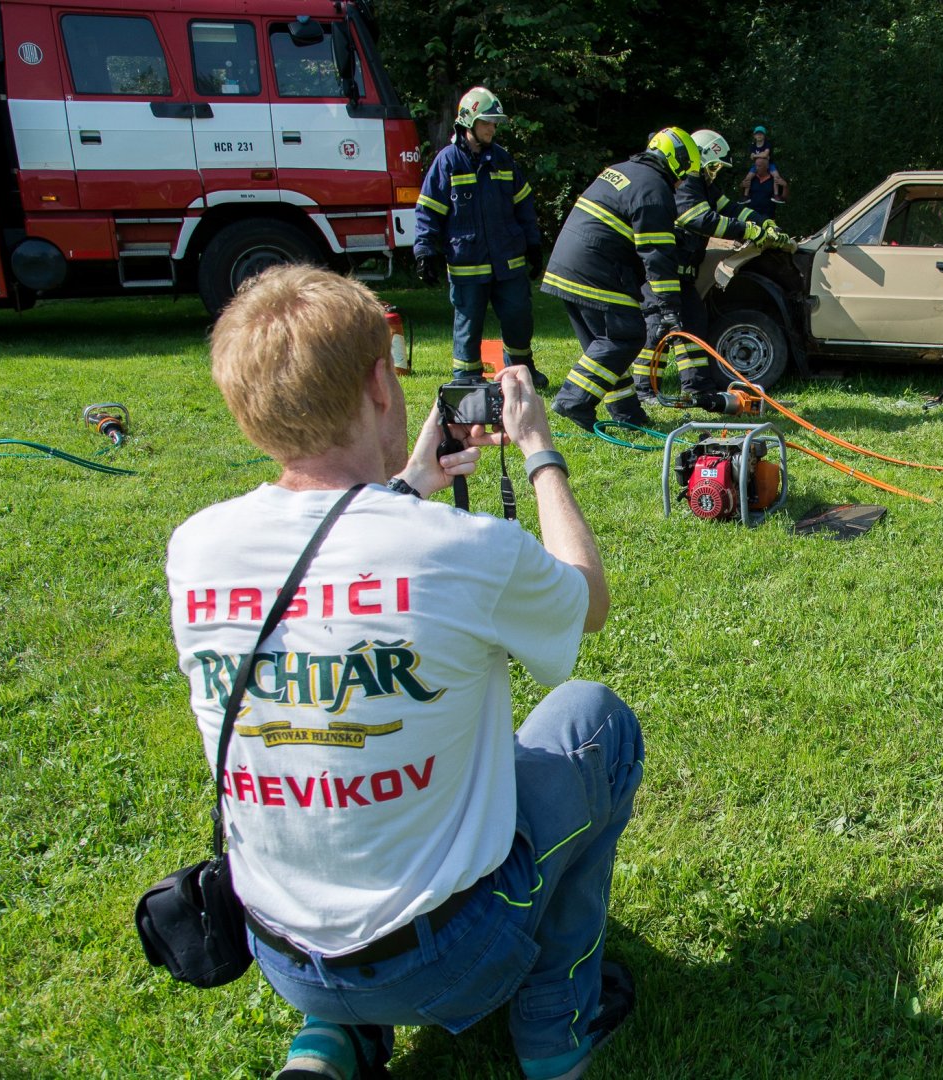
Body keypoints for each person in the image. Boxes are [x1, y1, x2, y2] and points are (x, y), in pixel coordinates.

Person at [166, 265, 642, 1080]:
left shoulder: (195, 548)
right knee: (595, 719)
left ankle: (329, 1040)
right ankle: (555, 1026)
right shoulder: (461, 551)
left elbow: (337, 556)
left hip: (277, 948)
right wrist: (541, 452)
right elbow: (587, 600)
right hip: (449, 957)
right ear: (380, 385)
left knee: (319, 762)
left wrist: (408, 484)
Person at [542, 126, 698, 431]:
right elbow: (656, 253)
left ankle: (627, 413)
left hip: (567, 265)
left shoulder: (623, 170)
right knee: (625, 335)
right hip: (595, 268)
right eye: (684, 174)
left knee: (603, 345)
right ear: (676, 162)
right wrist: (669, 306)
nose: (682, 183)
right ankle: (573, 399)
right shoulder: (654, 189)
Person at [634, 129, 791, 407]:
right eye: (714, 166)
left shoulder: (704, 185)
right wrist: (747, 231)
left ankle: (696, 388)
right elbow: (699, 219)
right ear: (702, 158)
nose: (715, 173)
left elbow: (730, 208)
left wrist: (762, 221)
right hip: (662, 272)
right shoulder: (686, 182)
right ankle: (643, 390)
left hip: (682, 273)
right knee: (657, 327)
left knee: (693, 323)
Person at [414, 87, 547, 389]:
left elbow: (524, 206)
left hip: (508, 260)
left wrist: (533, 244)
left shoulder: (503, 160)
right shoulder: (447, 162)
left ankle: (521, 370)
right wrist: (425, 251)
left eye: (494, 123)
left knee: (518, 315)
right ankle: (467, 378)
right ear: (468, 122)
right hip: (468, 262)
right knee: (468, 323)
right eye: (487, 122)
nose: (492, 129)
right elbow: (428, 211)